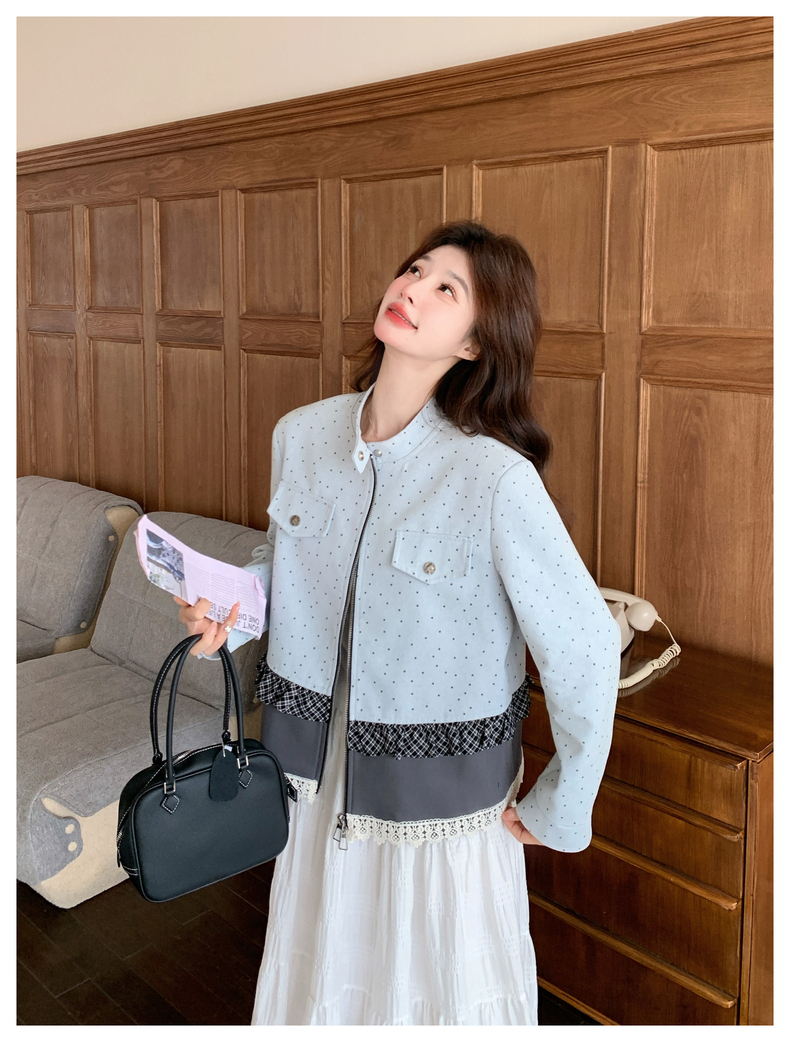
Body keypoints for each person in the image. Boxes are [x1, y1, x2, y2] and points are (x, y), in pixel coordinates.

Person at [175, 220, 621, 1025]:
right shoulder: (301, 435)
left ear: (476, 344)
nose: (413, 288)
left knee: (435, 989)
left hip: (436, 802)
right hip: (314, 776)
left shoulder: (493, 478)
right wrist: (227, 614)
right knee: (322, 972)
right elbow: (289, 570)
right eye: (414, 269)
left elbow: (586, 646)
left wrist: (561, 806)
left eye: (446, 288)